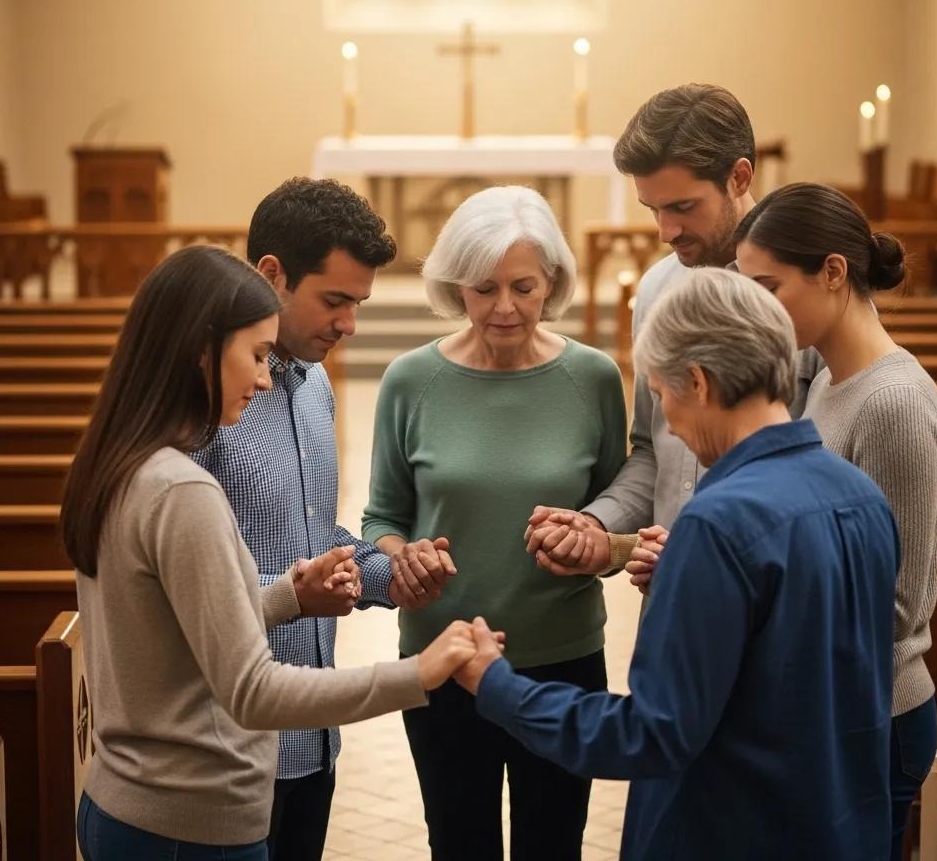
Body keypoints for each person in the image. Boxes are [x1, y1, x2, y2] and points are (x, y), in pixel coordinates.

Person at [454, 267, 900, 861]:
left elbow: (651, 735)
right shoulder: (861, 494)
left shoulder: (718, 523)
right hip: (839, 826)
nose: (676, 430)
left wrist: (497, 684)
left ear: (698, 381)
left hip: (731, 829)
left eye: (663, 400)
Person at [61, 245, 487, 860]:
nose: (265, 378)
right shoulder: (182, 489)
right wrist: (422, 672)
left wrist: (291, 595)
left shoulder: (120, 463)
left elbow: (179, 621)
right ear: (201, 349)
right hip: (190, 822)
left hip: (130, 802)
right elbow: (254, 692)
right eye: (257, 355)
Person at [360, 185, 627, 860]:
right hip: (442, 658)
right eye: (483, 289)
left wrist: (595, 543)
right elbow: (381, 517)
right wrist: (401, 557)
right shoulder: (409, 380)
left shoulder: (592, 378)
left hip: (560, 661)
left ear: (554, 283)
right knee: (458, 842)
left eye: (523, 286)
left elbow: (619, 523)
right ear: (456, 286)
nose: (504, 307)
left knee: (554, 844)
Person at [192, 179, 453, 860]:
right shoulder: (202, 404)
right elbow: (182, 590)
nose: (349, 326)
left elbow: (315, 538)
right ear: (270, 274)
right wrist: (294, 593)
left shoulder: (314, 388)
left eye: (359, 304)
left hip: (313, 742)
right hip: (227, 748)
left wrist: (392, 575)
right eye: (334, 301)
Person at [524, 83, 822, 581]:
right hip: (669, 599)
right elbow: (652, 450)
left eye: (682, 207)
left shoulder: (804, 294)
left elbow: (824, 474)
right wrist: (597, 525)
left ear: (739, 176)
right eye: (652, 210)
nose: (665, 231)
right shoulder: (659, 288)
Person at [734, 182, 937, 860]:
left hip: (873, 712)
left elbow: (899, 602)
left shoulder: (893, 403)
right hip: (828, 701)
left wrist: (747, 604)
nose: (757, 311)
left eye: (769, 287)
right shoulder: (830, 378)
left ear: (832, 272)